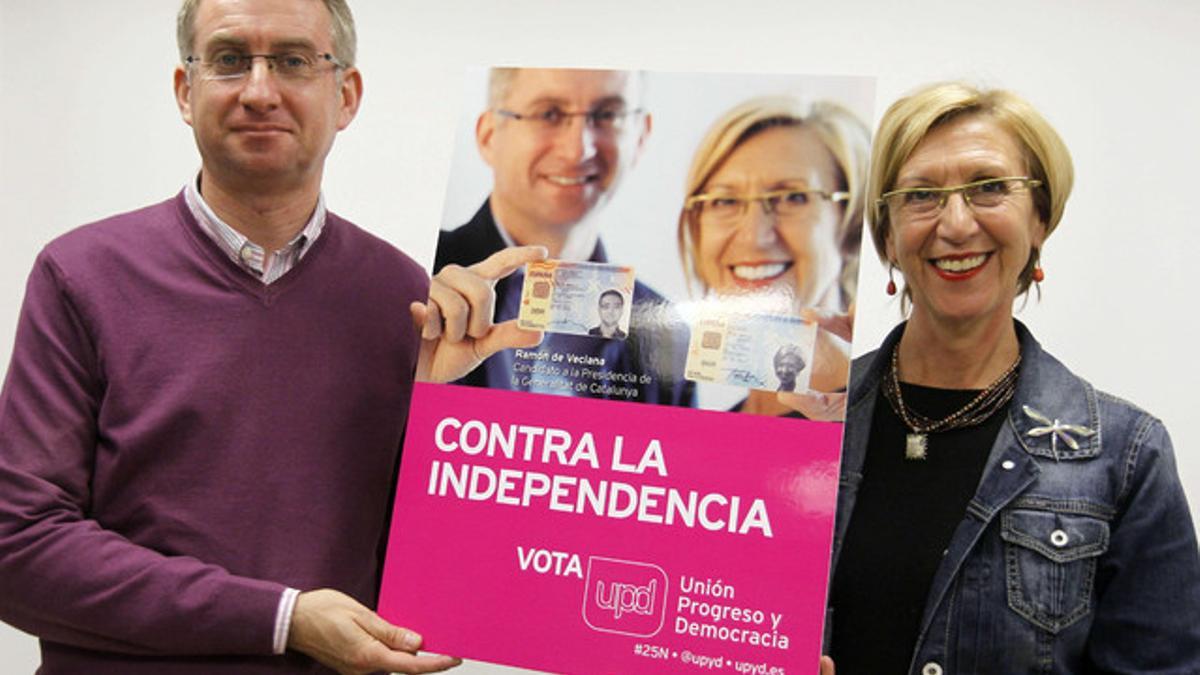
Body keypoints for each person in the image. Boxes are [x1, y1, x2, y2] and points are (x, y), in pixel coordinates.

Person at [0, 1, 459, 673]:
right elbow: (17, 546)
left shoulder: (407, 299)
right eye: (229, 59)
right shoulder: (81, 276)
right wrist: (281, 620)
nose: (259, 91)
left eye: (295, 61)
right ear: (187, 90)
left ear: (346, 95)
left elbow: (429, 563)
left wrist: (469, 406)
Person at [825, 82, 1200, 674]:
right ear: (888, 237)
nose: (955, 223)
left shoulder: (1128, 460)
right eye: (921, 194)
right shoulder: (802, 423)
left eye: (989, 188)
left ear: (1040, 221)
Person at [426, 67, 693, 405]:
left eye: (607, 114)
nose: (578, 150)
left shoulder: (667, 337)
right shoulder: (415, 276)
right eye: (549, 114)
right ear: (489, 136)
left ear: (641, 136)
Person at [676, 97, 868, 416]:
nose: (754, 234)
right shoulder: (708, 434)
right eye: (725, 202)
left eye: (793, 197)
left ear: (852, 226)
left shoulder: (878, 418)